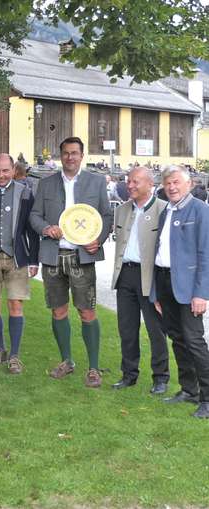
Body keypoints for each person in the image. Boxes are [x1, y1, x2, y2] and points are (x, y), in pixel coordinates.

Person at [29, 136, 113, 388]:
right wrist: (46, 228)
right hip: (54, 256)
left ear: (82, 155)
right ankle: (66, 361)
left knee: (87, 311)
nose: (70, 157)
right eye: (65, 153)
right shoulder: (46, 184)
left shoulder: (96, 182)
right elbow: (34, 215)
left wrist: (98, 239)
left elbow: (106, 215)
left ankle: (94, 368)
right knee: (58, 310)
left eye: (74, 153)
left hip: (82, 256)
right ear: (60, 155)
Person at [150, 165, 209, 418]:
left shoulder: (200, 210)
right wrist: (156, 292)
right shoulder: (167, 210)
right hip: (165, 283)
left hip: (188, 288)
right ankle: (189, 390)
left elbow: (206, 254)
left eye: (176, 182)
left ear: (189, 184)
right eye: (167, 183)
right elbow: (159, 251)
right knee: (178, 338)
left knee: (194, 341)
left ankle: (207, 398)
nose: (171, 187)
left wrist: (201, 293)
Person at [0, 154, 39, 374]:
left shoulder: (25, 194)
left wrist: (33, 259)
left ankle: (14, 355)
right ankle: (0, 349)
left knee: (15, 305)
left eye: (5, 171)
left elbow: (32, 229)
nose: (1, 175)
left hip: (17, 256)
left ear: (13, 170)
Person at [110, 166, 169, 394]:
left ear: (149, 184)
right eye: (128, 181)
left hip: (151, 278)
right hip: (125, 275)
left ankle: (161, 378)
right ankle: (129, 374)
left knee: (156, 330)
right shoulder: (122, 209)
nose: (130, 185)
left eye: (135, 182)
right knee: (127, 328)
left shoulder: (163, 209)